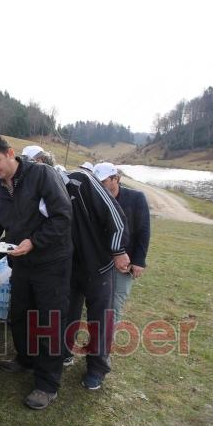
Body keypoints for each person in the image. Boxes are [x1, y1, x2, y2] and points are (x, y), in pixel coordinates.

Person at [0, 135, 72, 410]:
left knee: (48, 321)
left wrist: (34, 242)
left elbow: (62, 215)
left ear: (10, 153)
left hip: (51, 262)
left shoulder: (41, 175)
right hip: (20, 264)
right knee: (20, 315)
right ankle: (25, 359)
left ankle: (47, 384)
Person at [60, 166, 130, 391]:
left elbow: (115, 215)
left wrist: (118, 250)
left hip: (98, 264)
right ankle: (64, 353)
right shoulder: (41, 191)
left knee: (100, 319)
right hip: (70, 266)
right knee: (67, 312)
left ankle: (97, 368)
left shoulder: (81, 180)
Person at [92, 163, 151, 320]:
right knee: (99, 301)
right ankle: (99, 333)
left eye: (103, 181)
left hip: (125, 261)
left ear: (116, 178)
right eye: (96, 181)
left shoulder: (136, 198)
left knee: (115, 302)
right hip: (100, 260)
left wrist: (139, 261)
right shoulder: (94, 198)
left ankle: (108, 334)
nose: (99, 185)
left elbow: (143, 230)